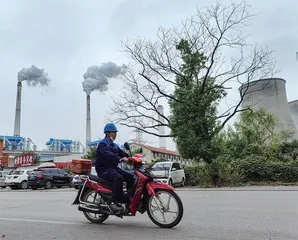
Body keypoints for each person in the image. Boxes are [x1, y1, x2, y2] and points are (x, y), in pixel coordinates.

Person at [94, 123, 135, 212]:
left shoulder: (114, 145)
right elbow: (109, 155)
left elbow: (121, 153)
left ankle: (128, 198)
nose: (115, 134)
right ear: (108, 133)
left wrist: (132, 158)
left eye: (115, 132)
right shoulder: (103, 144)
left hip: (112, 168)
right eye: (114, 132)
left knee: (131, 177)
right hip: (103, 169)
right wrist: (120, 159)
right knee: (118, 178)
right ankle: (114, 202)